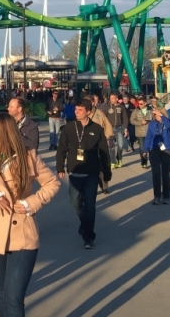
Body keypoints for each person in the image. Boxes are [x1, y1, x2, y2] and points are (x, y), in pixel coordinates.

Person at [0, 113, 60, 317]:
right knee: (1, 294)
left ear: (4, 133)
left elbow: (52, 183)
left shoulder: (28, 157)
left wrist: (32, 202)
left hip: (22, 233)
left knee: (14, 299)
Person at [56, 99, 111, 249]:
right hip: (74, 172)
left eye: (80, 110)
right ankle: (85, 223)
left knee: (90, 206)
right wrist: (60, 167)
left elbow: (104, 152)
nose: (77, 112)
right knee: (75, 203)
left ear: (88, 112)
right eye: (76, 109)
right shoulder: (69, 127)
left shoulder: (97, 129)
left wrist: (107, 172)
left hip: (91, 173)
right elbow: (61, 149)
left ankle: (88, 237)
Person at [143, 105, 170, 205]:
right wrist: (145, 150)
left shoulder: (167, 122)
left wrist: (162, 117)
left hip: (167, 150)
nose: (156, 116)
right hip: (154, 150)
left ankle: (166, 196)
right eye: (155, 114)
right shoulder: (152, 124)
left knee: (165, 174)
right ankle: (157, 196)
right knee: (156, 173)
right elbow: (148, 137)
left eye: (158, 114)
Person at [105, 92, 129, 168]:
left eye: (113, 98)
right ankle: (112, 162)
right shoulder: (107, 107)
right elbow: (104, 118)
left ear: (117, 99)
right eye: (110, 98)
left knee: (120, 146)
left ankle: (119, 159)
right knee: (111, 147)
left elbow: (125, 118)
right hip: (110, 129)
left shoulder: (121, 107)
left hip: (119, 128)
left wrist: (125, 128)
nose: (111, 100)